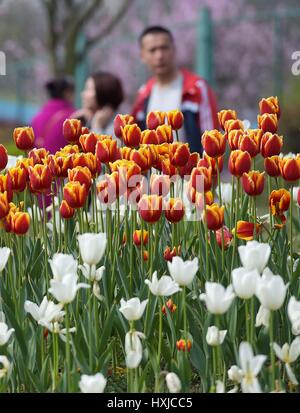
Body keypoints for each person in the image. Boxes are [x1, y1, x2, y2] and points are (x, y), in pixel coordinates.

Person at [132, 26, 219, 153]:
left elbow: (212, 139)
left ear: (174, 49)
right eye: (152, 50)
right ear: (142, 56)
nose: (159, 56)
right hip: (153, 172)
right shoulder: (144, 93)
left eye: (164, 48)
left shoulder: (196, 88)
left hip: (190, 172)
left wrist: (204, 171)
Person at [31, 77, 75, 153]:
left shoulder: (37, 118)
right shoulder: (73, 118)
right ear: (67, 93)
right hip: (64, 164)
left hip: (40, 164)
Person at [73, 71, 124, 137]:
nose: (83, 94)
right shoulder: (88, 119)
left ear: (103, 92)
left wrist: (97, 126)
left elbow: (100, 146)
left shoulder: (117, 128)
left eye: (88, 89)